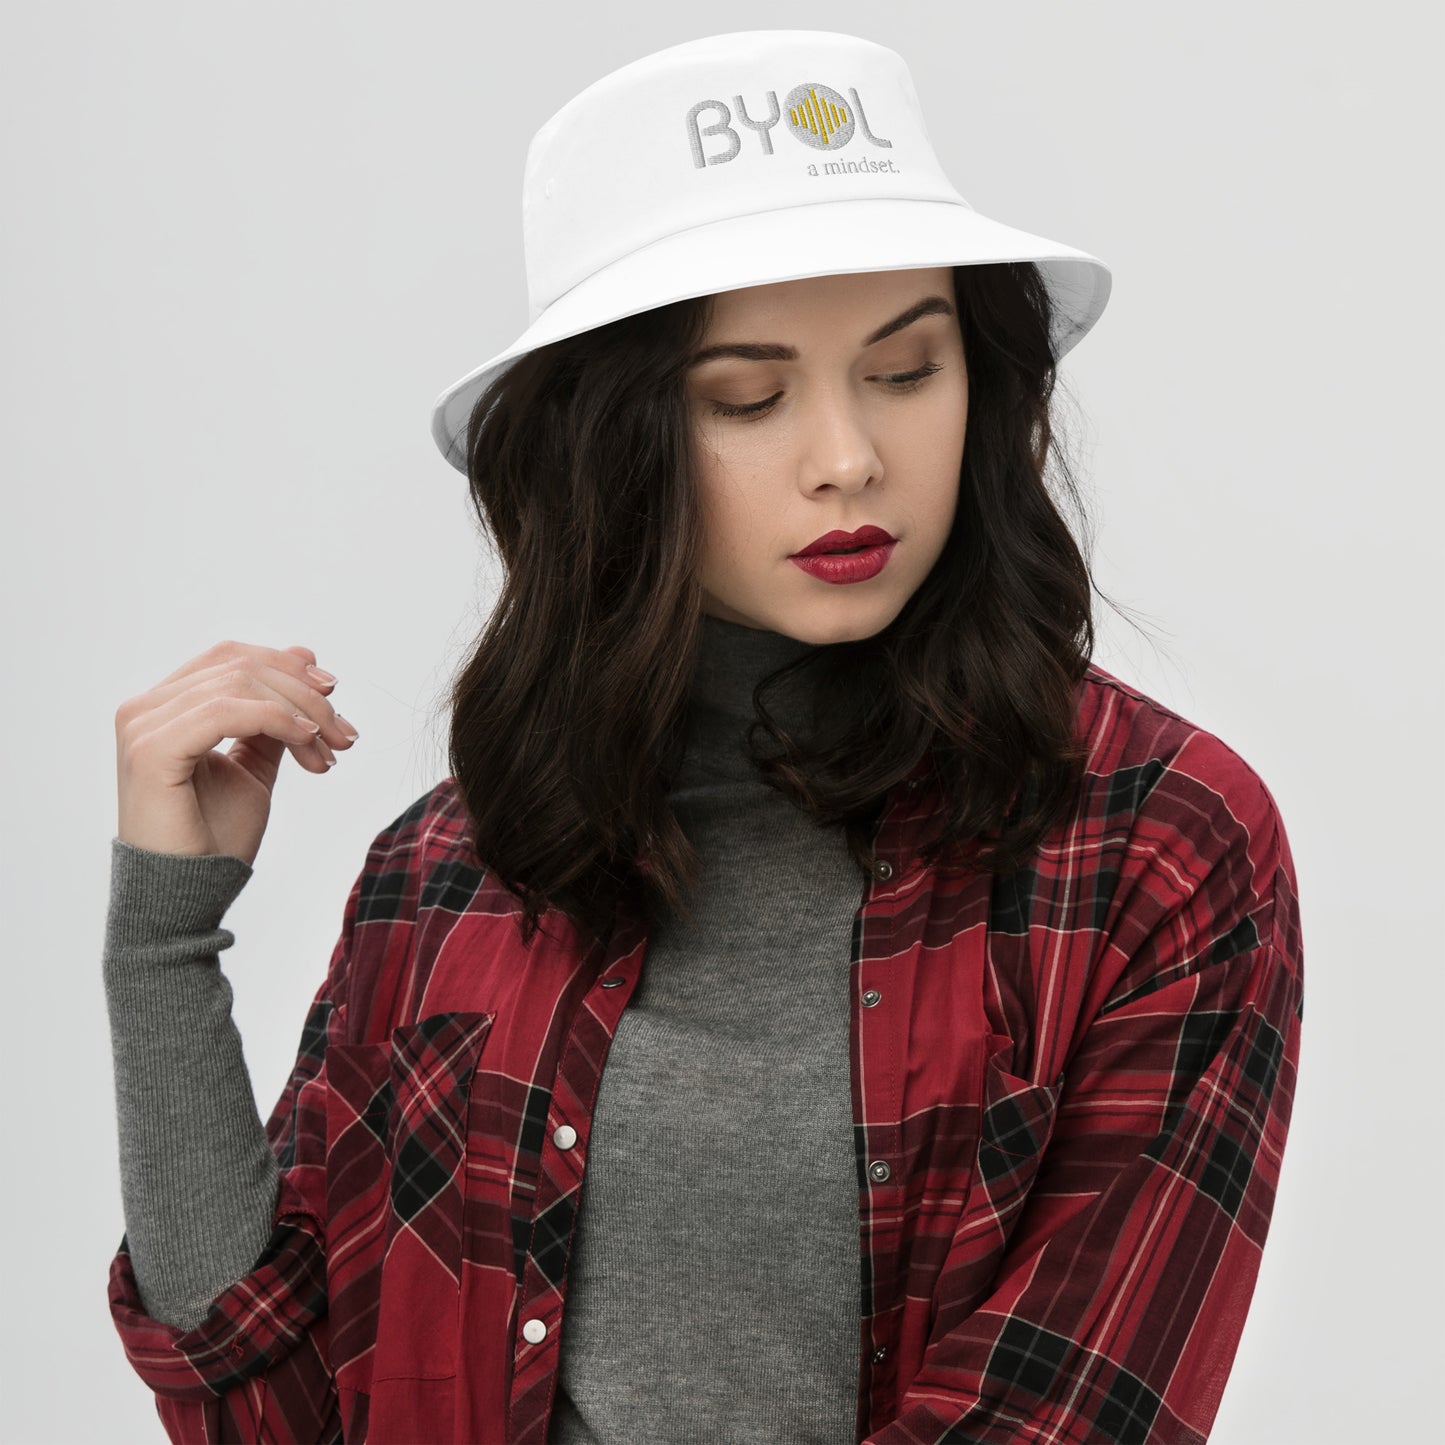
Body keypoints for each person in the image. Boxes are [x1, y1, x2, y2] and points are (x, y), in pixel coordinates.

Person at [103, 28, 1304, 1445]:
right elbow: (278, 1415)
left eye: (906, 371)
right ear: (614, 443)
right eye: (747, 396)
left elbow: (1067, 1415)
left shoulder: (1156, 845)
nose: (847, 457)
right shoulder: (446, 874)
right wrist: (161, 948)